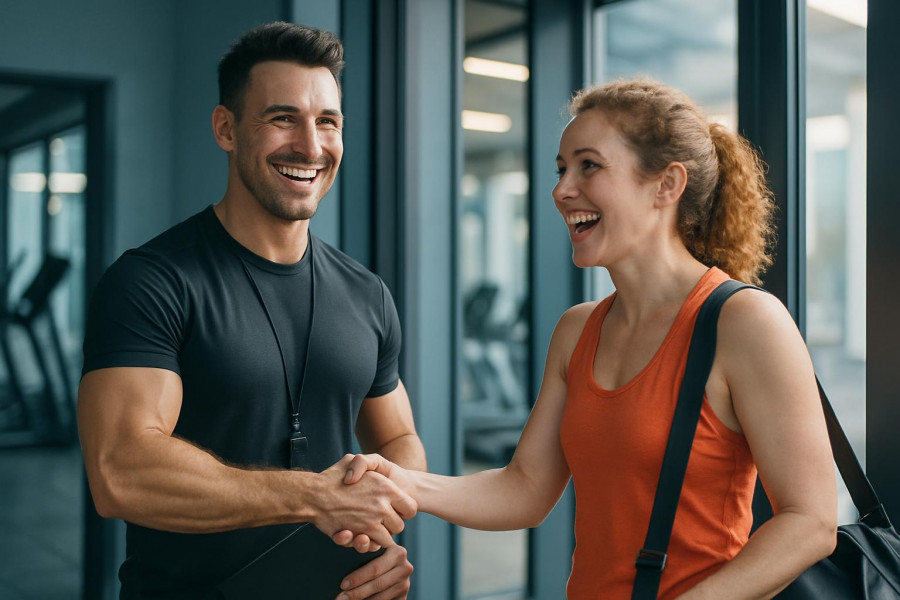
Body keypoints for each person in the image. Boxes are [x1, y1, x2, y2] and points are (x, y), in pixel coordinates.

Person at [339, 78, 838, 599]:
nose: (561, 189)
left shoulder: (744, 322)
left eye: (588, 166)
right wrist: (397, 480)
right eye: (561, 169)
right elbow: (525, 489)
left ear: (667, 185)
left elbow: (810, 521)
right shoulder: (577, 330)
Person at [78, 22, 424, 600]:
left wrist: (381, 530)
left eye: (328, 122)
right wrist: (318, 496)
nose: (311, 147)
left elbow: (399, 441)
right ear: (227, 129)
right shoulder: (152, 281)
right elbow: (121, 470)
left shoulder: (367, 293)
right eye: (283, 118)